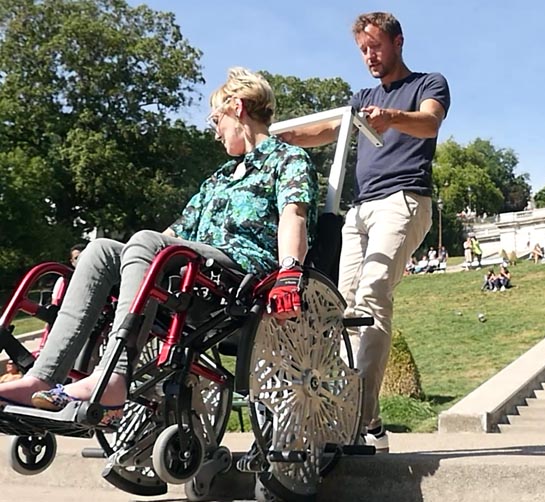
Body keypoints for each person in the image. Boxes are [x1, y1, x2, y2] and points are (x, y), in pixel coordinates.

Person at [0, 68, 318, 424]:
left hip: (240, 272)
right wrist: (133, 254)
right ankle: (41, 376)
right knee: (101, 250)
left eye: (217, 119)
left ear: (237, 107)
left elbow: (294, 215)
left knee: (147, 242)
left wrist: (291, 270)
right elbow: (174, 233)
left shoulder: (287, 160)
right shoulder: (219, 178)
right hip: (190, 265)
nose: (215, 132)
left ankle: (115, 379)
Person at [278, 12, 450, 452]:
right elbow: (325, 130)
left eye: (375, 46)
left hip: (405, 199)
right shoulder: (361, 97)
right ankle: (364, 420)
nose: (369, 57)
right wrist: (276, 136)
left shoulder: (428, 84)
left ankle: (353, 416)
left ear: (397, 42)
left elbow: (429, 122)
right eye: (362, 50)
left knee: (372, 295)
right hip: (360, 209)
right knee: (341, 306)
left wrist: (392, 117)